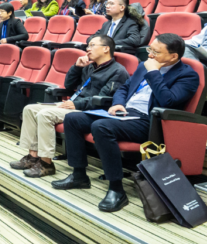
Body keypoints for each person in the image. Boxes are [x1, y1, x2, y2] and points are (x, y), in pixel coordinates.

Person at [52, 33, 200, 212]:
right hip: (125, 113)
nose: (150, 55)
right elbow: (124, 88)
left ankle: (116, 189)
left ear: (173, 56)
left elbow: (167, 101)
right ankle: (79, 175)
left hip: (149, 120)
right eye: (149, 50)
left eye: (156, 52)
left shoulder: (187, 76)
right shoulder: (143, 66)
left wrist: (154, 72)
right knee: (73, 118)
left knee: (101, 127)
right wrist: (118, 103)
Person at [10, 35, 129, 178]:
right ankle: (33, 156)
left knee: (45, 114)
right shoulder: (89, 66)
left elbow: (103, 99)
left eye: (92, 45)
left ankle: (46, 163)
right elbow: (69, 85)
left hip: (91, 110)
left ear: (105, 49)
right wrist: (76, 67)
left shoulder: (118, 71)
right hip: (74, 104)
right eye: (88, 46)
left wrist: (76, 104)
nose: (88, 49)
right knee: (30, 109)